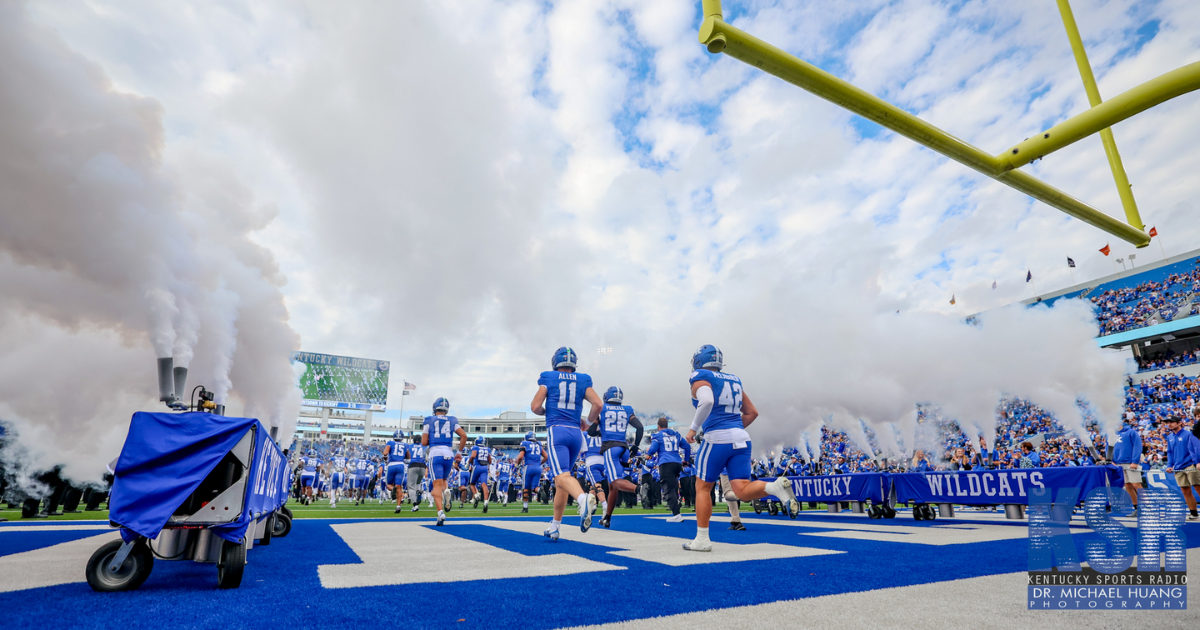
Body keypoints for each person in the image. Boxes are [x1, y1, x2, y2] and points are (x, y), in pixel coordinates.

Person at [683, 345, 798, 552]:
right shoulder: (733, 380)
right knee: (742, 490)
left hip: (717, 438)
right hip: (741, 439)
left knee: (703, 488)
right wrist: (733, 430)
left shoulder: (700, 377)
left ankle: (702, 539)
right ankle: (774, 487)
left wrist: (693, 429)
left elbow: (707, 400)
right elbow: (752, 412)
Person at [530, 346, 603, 540]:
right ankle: (555, 526)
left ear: (555, 362)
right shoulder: (583, 379)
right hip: (576, 434)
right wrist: (588, 423)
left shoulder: (548, 377)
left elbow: (535, 406)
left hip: (557, 430)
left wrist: (546, 411)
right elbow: (598, 404)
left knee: (561, 476)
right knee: (561, 481)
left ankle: (583, 499)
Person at [589, 386, 645, 528]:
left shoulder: (602, 408)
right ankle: (607, 517)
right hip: (623, 448)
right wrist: (635, 446)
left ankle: (639, 490)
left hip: (611, 448)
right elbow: (640, 427)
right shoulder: (627, 409)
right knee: (612, 485)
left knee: (615, 480)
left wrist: (601, 431)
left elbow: (591, 432)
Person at [422, 397, 469, 526]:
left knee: (436, 485)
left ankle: (440, 512)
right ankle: (446, 490)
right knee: (443, 481)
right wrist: (459, 453)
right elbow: (464, 436)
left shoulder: (429, 420)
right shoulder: (452, 420)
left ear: (434, 408)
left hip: (435, 453)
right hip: (449, 453)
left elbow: (424, 442)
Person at [648, 416, 691, 522]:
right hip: (677, 463)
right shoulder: (676, 434)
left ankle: (676, 514)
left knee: (668, 489)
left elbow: (653, 449)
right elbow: (687, 446)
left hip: (666, 463)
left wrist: (648, 454)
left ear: (658, 426)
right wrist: (686, 460)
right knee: (673, 486)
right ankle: (676, 506)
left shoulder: (658, 435)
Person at [1162, 416, 1200, 521]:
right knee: (1185, 491)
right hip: (1178, 467)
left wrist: (1197, 462)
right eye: (1167, 422)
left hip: (1191, 465)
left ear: (1179, 423)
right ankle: (1194, 514)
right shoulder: (1169, 437)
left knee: (1198, 488)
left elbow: (1195, 448)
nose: (1169, 424)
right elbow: (1170, 452)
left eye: (1172, 422)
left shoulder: (1189, 434)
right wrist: (1170, 465)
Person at [1111, 416, 1143, 514]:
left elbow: (1137, 446)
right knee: (1127, 485)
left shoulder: (1131, 432)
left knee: (1136, 484)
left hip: (1130, 462)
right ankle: (1137, 508)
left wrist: (1135, 461)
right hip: (1118, 464)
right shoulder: (1111, 434)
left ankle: (1148, 508)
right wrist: (1110, 460)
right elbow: (1109, 448)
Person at [515, 431, 544, 513]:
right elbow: (546, 456)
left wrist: (518, 464)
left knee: (525, 488)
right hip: (538, 468)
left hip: (529, 467)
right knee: (534, 488)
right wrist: (539, 464)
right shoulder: (538, 444)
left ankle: (525, 507)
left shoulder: (524, 443)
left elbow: (520, 456)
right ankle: (539, 490)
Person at [384, 431, 408, 513]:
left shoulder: (390, 443)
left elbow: (385, 453)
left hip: (391, 465)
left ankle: (393, 489)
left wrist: (385, 459)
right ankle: (398, 506)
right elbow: (408, 457)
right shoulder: (405, 445)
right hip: (401, 465)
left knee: (389, 485)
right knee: (399, 487)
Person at [468, 437, 492, 512]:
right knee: (484, 486)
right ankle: (486, 502)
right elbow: (490, 461)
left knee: (472, 484)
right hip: (485, 467)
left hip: (477, 467)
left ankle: (476, 495)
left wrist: (469, 462)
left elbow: (473, 455)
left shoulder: (475, 447)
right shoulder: (487, 449)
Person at [405, 434, 427, 512]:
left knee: (411, 486)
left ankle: (415, 505)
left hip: (413, 466)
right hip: (423, 466)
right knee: (417, 483)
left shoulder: (409, 446)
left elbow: (406, 457)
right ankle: (418, 491)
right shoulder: (424, 446)